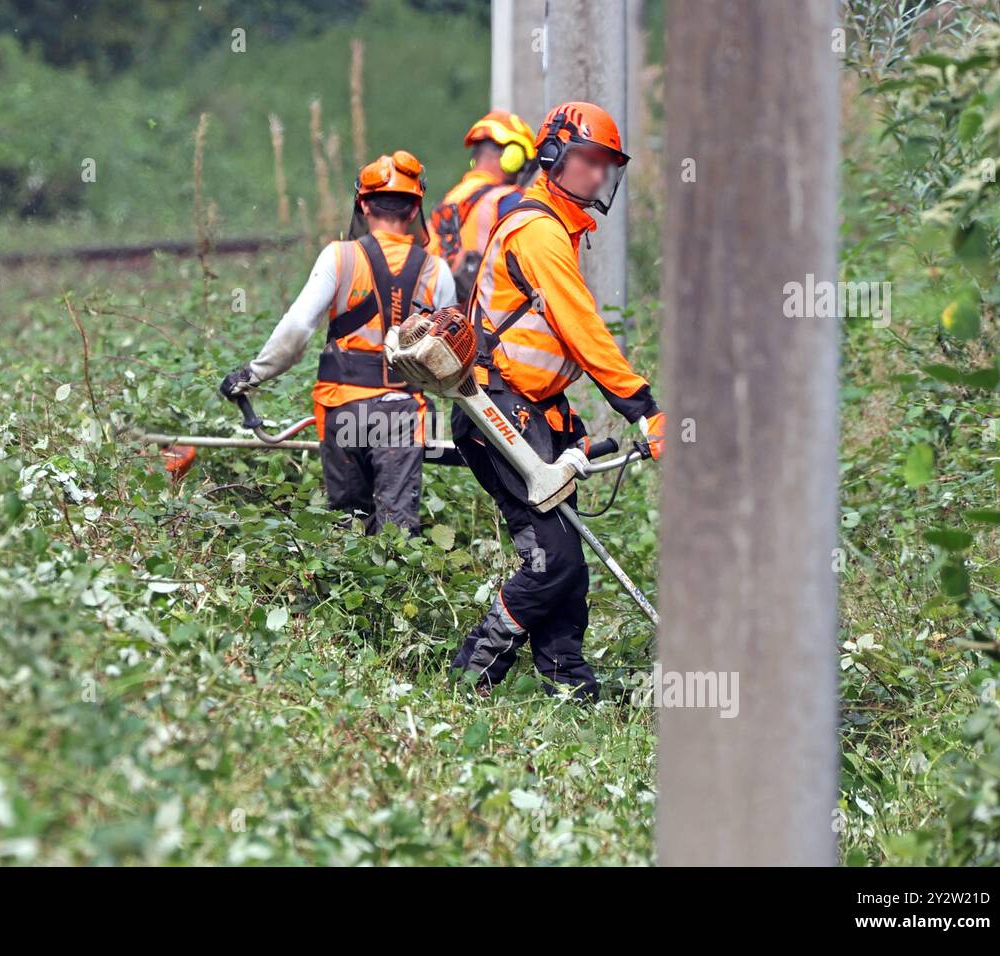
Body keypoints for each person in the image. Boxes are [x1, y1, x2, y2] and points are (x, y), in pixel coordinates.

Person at [450, 102, 666, 701]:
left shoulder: (558, 228)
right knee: (554, 561)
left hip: (529, 411)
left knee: (565, 557)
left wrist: (564, 425)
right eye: (588, 161)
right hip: (497, 411)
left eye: (606, 166)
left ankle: (568, 686)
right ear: (552, 157)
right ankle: (472, 674)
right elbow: (582, 329)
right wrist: (644, 408)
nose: (598, 176)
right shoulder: (540, 230)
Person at [220, 151, 457, 535]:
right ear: (415, 210)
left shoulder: (340, 256)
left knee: (348, 524)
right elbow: (449, 356)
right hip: (403, 415)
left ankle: (348, 586)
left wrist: (253, 375)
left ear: (363, 204)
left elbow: (298, 327)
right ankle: (396, 589)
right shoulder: (437, 271)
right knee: (397, 533)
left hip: (343, 409)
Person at [427, 110, 537, 301]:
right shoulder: (506, 200)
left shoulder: (451, 199)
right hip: (486, 319)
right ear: (513, 157)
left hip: (446, 320)